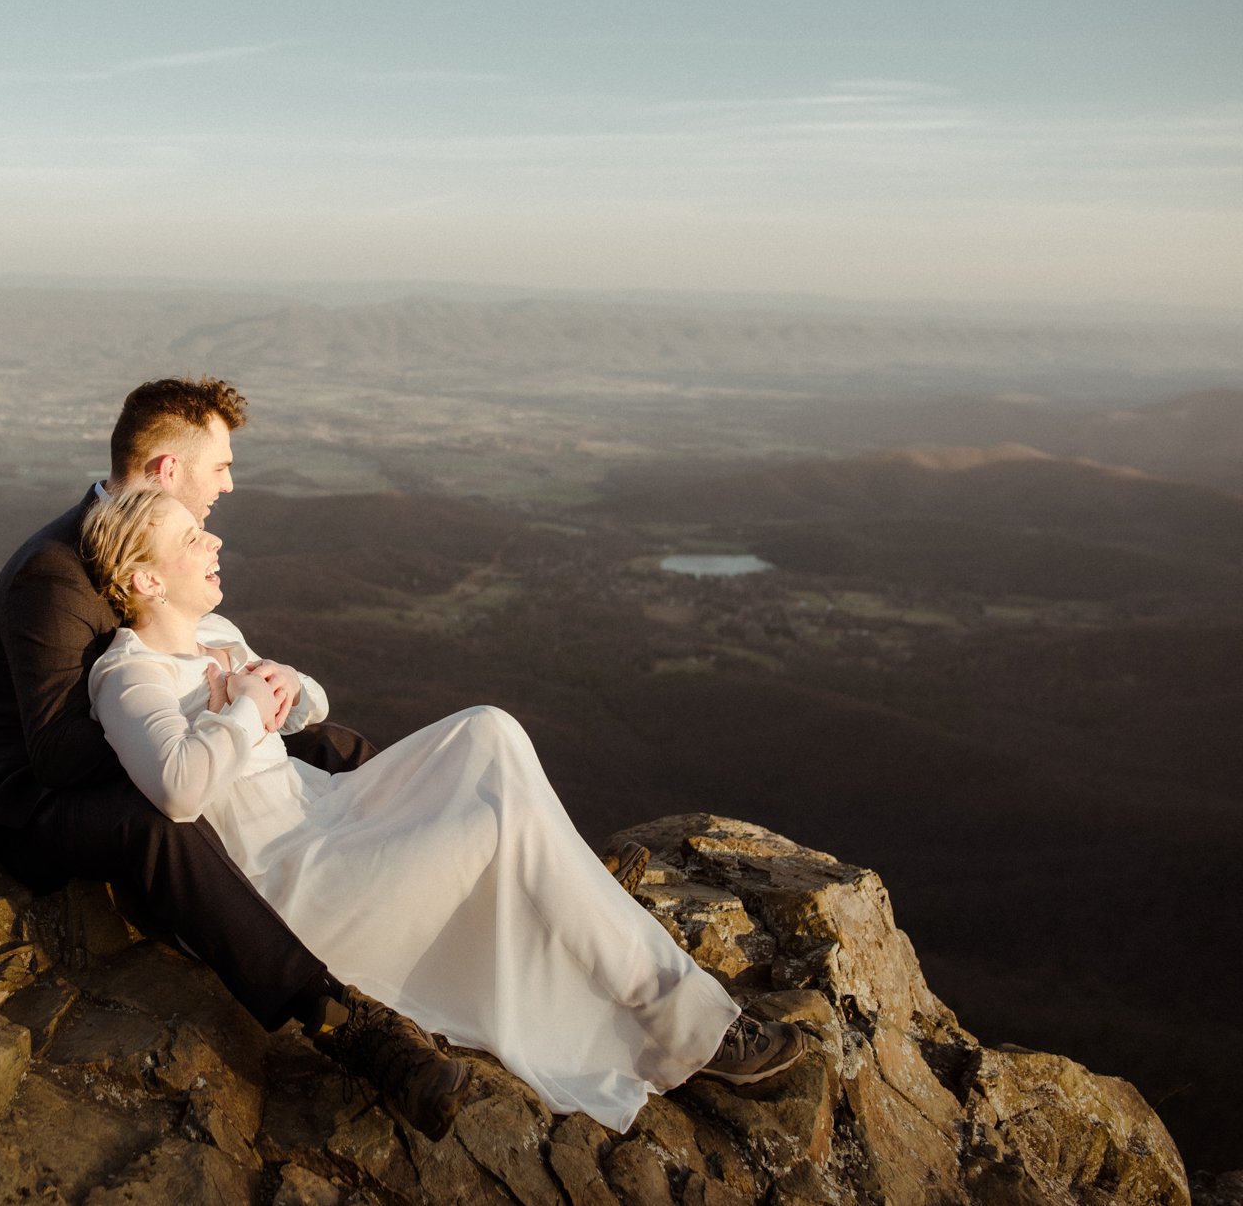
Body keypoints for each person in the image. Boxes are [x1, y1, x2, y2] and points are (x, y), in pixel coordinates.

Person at [78, 485, 808, 1134]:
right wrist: (240, 713)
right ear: (146, 578)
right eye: (190, 539)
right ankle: (680, 1018)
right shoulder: (127, 675)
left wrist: (283, 684)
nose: (215, 540)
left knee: (489, 727)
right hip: (298, 877)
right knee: (497, 823)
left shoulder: (219, 635)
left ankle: (600, 927)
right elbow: (176, 787)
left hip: (332, 808)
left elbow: (309, 704)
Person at [0, 378, 477, 1139]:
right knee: (158, 820)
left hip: (143, 738)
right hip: (19, 798)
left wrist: (245, 709)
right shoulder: (53, 573)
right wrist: (207, 719)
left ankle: (471, 838)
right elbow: (56, 751)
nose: (228, 483)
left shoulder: (148, 540)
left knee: (327, 741)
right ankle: (339, 1021)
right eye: (220, 466)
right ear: (167, 469)